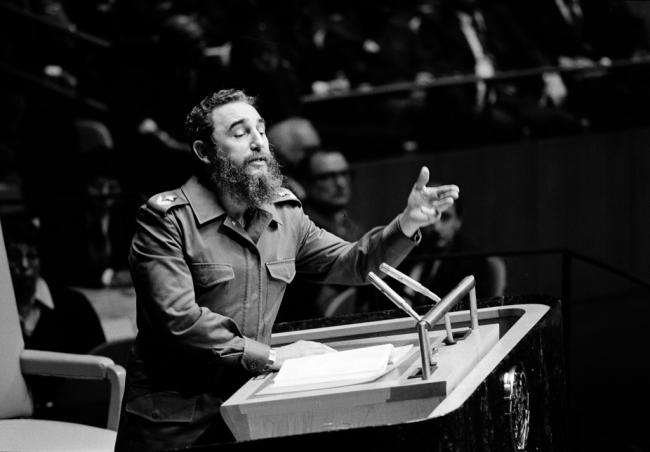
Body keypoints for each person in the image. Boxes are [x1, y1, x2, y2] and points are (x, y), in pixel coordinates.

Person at [114, 88, 459, 451]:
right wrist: (273, 357)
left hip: (252, 400)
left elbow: (354, 263)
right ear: (204, 151)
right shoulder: (166, 220)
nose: (258, 142)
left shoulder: (284, 213)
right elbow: (180, 320)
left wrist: (406, 223)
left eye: (261, 130)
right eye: (240, 133)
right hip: (176, 418)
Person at [2, 213, 106, 418]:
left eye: (31, 256)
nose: (24, 265)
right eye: (14, 257)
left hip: (73, 417)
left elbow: (101, 371)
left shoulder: (75, 306)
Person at [277, 148, 366, 321]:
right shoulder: (299, 228)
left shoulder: (352, 227)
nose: (340, 183)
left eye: (344, 174)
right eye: (326, 177)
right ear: (304, 183)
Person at [398, 196, 506, 305]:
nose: (436, 227)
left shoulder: (472, 260)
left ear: (458, 221)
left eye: (445, 218)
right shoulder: (409, 252)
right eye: (430, 218)